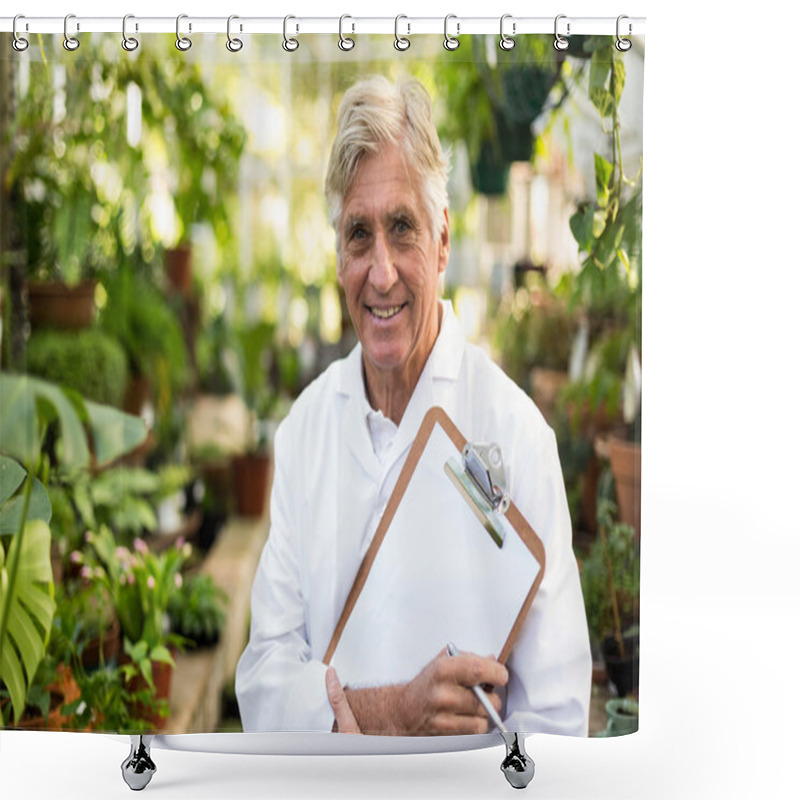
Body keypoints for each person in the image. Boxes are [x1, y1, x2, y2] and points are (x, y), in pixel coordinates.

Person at [235, 75, 591, 737]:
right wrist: (393, 713)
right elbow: (264, 677)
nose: (381, 272)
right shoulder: (306, 430)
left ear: (443, 242)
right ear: (338, 253)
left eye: (402, 229)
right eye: (358, 235)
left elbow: (558, 723)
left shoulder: (516, 436)